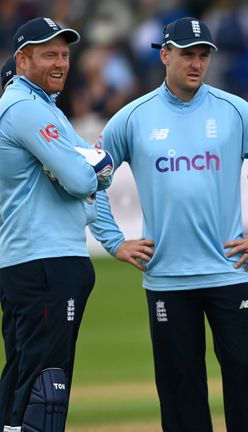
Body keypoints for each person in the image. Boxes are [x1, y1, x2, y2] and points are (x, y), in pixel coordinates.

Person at [87, 17, 248, 432]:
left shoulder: (235, 111)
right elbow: (90, 181)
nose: (196, 64)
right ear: (165, 55)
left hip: (228, 272)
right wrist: (114, 241)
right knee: (180, 388)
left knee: (245, 375)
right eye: (187, 54)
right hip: (167, 279)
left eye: (203, 55)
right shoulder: (132, 118)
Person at [0, 17, 113, 431]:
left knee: (24, 376)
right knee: (45, 386)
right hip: (44, 260)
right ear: (23, 58)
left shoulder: (45, 109)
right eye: (49, 53)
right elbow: (87, 176)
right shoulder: (25, 108)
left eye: (65, 54)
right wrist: (85, 173)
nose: (61, 62)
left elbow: (101, 174)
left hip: (40, 258)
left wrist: (87, 173)